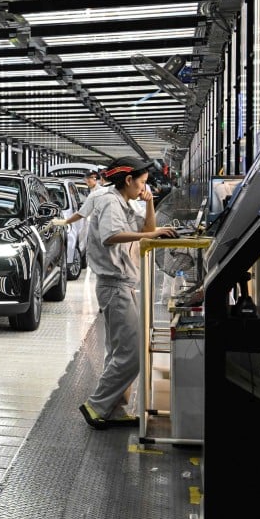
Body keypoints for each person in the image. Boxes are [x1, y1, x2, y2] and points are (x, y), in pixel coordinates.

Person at [79, 157, 178, 429]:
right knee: (133, 353)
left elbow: (146, 230)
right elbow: (110, 236)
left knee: (118, 350)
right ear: (128, 180)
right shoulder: (110, 202)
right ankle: (96, 405)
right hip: (114, 284)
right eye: (142, 183)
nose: (144, 187)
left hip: (121, 284)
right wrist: (154, 234)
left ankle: (114, 409)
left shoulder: (123, 202)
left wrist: (148, 204)